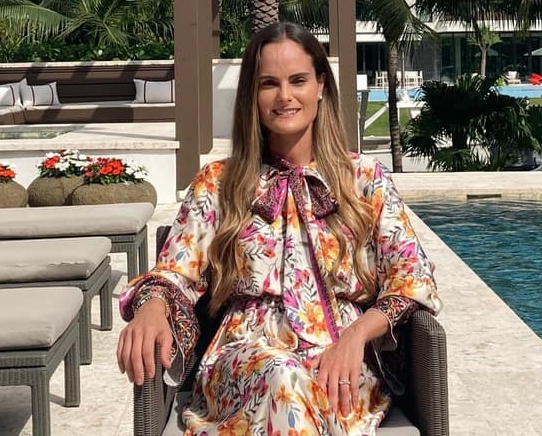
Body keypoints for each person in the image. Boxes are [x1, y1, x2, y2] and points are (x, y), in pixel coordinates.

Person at [117, 22, 441, 435]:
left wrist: (357, 335)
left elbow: (413, 279)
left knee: (297, 382)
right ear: (252, 95)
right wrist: (151, 308)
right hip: (246, 355)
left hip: (342, 356)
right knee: (282, 375)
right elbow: (175, 270)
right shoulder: (219, 182)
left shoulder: (364, 178)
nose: (285, 96)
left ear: (321, 85)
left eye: (298, 80)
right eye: (269, 83)